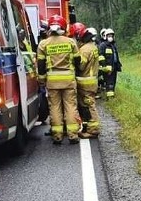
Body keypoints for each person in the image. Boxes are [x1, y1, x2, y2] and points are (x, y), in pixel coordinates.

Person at [36, 15, 80, 145]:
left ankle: (57, 136)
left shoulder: (43, 44)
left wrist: (42, 80)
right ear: (62, 26)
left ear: (49, 27)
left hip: (52, 81)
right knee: (70, 106)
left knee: (54, 108)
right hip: (68, 80)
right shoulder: (70, 42)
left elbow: (41, 65)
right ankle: (72, 135)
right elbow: (78, 61)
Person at [71, 23, 105, 138]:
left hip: (86, 82)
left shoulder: (85, 50)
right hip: (91, 81)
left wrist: (73, 61)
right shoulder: (92, 46)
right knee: (86, 105)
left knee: (89, 105)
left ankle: (93, 130)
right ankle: (87, 128)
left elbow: (81, 66)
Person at [98, 28, 122, 98]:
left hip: (114, 68)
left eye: (111, 36)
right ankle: (110, 98)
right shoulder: (103, 45)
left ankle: (112, 95)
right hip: (108, 69)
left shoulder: (113, 46)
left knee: (113, 83)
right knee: (109, 83)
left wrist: (118, 65)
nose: (110, 37)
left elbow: (115, 57)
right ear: (105, 36)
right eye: (109, 36)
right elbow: (101, 56)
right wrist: (105, 67)